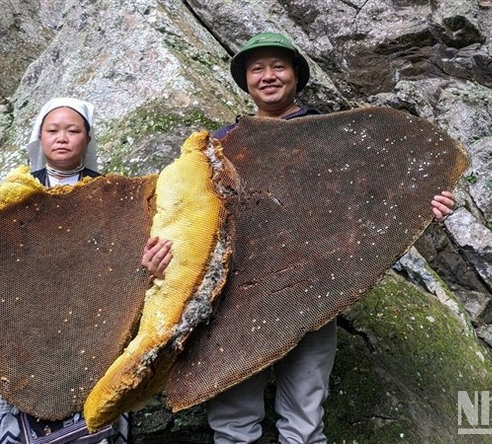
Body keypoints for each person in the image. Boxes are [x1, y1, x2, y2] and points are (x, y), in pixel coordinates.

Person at [141, 32, 457, 443]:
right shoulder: (222, 143)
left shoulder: (327, 135)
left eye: (278, 66)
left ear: (295, 75)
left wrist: (426, 204)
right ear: (246, 80)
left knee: (304, 422)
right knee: (233, 420)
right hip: (234, 299)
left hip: (312, 294)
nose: (268, 76)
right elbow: (191, 212)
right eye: (257, 69)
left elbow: (373, 194)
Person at [0, 98, 130, 444]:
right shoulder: (14, 193)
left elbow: (126, 259)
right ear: (39, 138)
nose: (62, 138)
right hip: (24, 329)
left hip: (93, 326)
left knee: (96, 417)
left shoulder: (111, 194)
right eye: (53, 130)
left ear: (87, 138)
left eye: (73, 130)